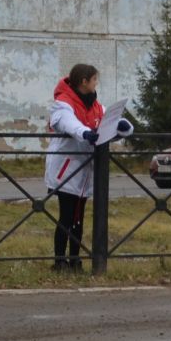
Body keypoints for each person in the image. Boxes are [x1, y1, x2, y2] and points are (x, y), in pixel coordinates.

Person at [45, 62, 129, 271]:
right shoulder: (63, 103)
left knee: (78, 216)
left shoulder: (94, 104)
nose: (96, 83)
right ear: (84, 82)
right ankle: (59, 260)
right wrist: (84, 133)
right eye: (94, 80)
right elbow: (67, 122)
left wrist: (123, 126)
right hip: (66, 168)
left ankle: (75, 258)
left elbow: (106, 118)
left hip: (84, 170)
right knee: (66, 215)